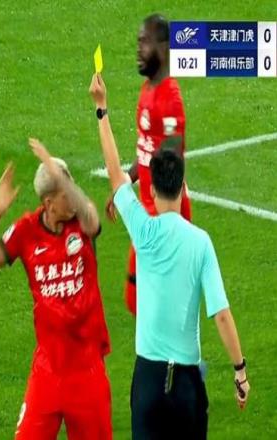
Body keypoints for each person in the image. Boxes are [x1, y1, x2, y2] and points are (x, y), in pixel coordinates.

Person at [89, 72, 250, 439]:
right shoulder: (201, 243)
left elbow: (115, 175)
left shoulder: (143, 233)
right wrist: (239, 370)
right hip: (187, 384)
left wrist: (102, 110)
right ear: (183, 186)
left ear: (152, 188)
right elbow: (221, 314)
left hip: (148, 380)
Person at [0, 138, 112, 439]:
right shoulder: (26, 231)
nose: (72, 197)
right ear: (48, 204)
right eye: (64, 194)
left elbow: (90, 217)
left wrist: (54, 167)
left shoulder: (83, 221)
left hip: (87, 370)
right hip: (48, 371)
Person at [107, 14, 192, 315]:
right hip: (146, 213)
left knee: (155, 305)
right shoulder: (147, 90)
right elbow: (147, 151)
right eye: (138, 41)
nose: (138, 49)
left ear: (164, 48)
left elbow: (171, 162)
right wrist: (125, 184)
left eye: (145, 42)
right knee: (136, 301)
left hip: (164, 217)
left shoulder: (170, 99)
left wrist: (160, 224)